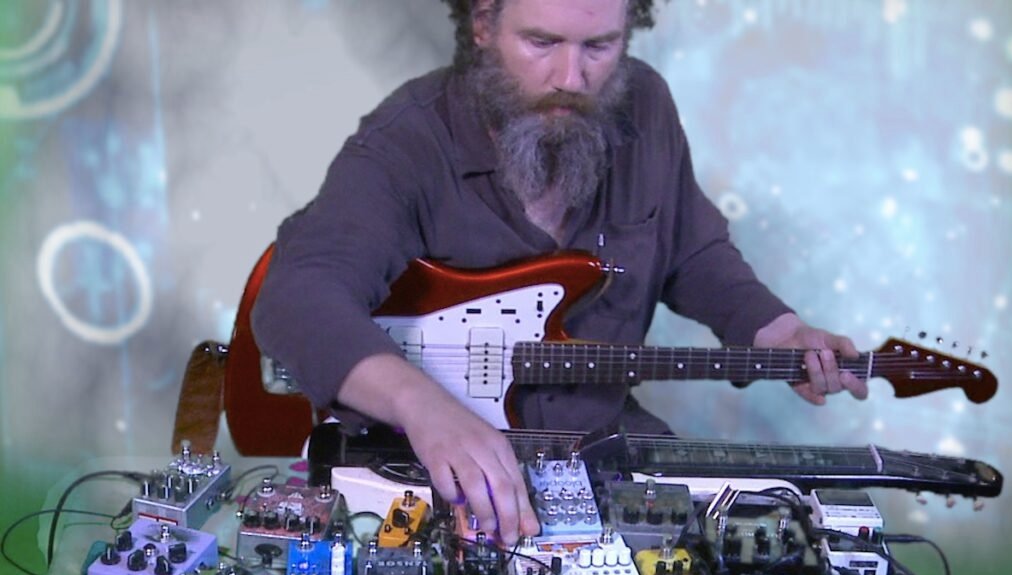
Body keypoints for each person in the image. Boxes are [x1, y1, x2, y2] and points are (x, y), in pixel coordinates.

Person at [251, 0, 868, 547]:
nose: (571, 79)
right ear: (484, 23)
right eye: (542, 42)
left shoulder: (645, 106)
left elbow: (694, 252)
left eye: (599, 46)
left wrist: (778, 329)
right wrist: (424, 408)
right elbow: (299, 298)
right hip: (439, 462)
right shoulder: (406, 139)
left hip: (604, 442)